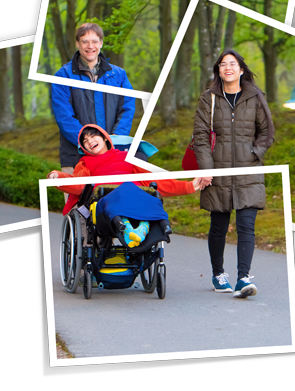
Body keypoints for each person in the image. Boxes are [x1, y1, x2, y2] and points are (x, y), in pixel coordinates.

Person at [192, 49, 275, 298]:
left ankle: (243, 278)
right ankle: (219, 274)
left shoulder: (254, 96)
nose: (227, 67)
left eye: (233, 63)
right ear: (218, 70)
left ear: (240, 69)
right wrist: (207, 170)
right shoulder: (209, 98)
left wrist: (253, 154)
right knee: (218, 226)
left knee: (246, 225)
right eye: (223, 64)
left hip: (248, 171)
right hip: (217, 171)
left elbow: (267, 132)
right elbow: (200, 137)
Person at [48, 123, 210, 247]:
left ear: (105, 137)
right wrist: (59, 177)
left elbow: (153, 180)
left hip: (133, 193)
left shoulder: (127, 156)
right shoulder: (85, 162)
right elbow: (79, 185)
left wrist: (189, 186)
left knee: (150, 197)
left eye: (92, 136)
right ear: (84, 147)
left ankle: (140, 228)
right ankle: (131, 229)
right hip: (105, 197)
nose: (90, 141)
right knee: (121, 194)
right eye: (85, 141)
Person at [51, 23, 141, 189]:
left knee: (111, 206)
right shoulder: (62, 75)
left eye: (94, 41)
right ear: (78, 44)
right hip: (75, 155)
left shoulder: (119, 75)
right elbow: (63, 116)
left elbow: (127, 109)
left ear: (101, 42)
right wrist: (86, 142)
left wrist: (113, 140)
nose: (90, 46)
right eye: (85, 41)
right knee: (76, 208)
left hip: (112, 155)